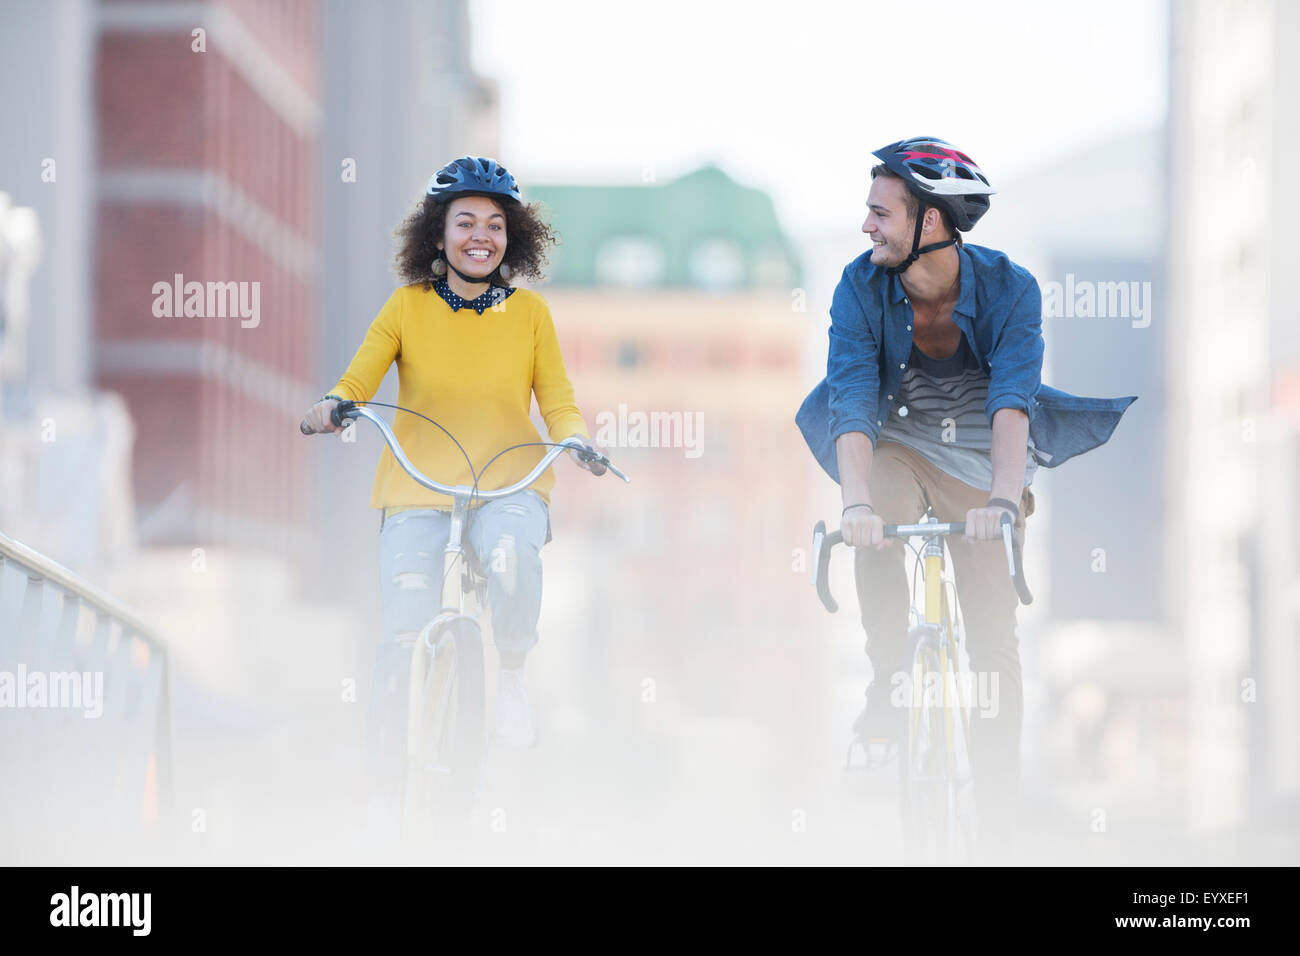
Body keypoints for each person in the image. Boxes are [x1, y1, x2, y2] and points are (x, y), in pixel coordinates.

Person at [795, 136, 1136, 859]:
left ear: (932, 222)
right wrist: (856, 507)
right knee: (875, 514)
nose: (866, 227)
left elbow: (1013, 400)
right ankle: (891, 681)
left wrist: (1004, 506)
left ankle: (998, 824)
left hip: (983, 457)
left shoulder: (1011, 289)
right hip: (897, 442)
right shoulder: (860, 286)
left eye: (881, 214)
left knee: (992, 646)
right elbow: (852, 398)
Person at [301, 157, 604, 785]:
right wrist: (334, 405)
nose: (480, 236)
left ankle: (512, 677)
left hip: (510, 486)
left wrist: (575, 441)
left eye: (495, 225)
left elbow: (558, 403)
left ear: (512, 238)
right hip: (417, 486)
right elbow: (359, 377)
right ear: (437, 235)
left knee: (511, 560)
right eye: (465, 222)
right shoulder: (406, 307)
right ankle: (387, 761)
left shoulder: (530, 314)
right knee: (404, 627)